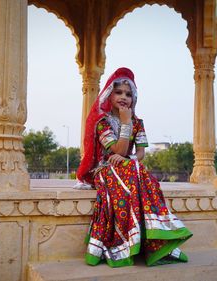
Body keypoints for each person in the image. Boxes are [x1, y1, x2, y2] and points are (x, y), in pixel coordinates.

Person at [75, 67, 192, 267]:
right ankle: (125, 244)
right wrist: (125, 123)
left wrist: (128, 158)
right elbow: (117, 150)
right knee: (136, 174)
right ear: (109, 95)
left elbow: (141, 153)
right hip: (104, 169)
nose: (124, 97)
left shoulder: (138, 123)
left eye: (128, 94)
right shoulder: (102, 122)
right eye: (119, 92)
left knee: (143, 175)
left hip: (128, 166)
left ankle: (155, 238)